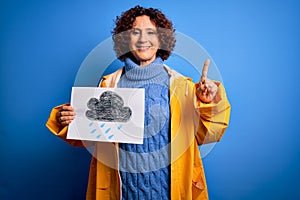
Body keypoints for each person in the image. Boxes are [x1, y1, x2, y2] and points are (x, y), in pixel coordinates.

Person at [46, 5, 231, 200]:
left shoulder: (183, 87)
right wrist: (67, 119)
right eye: (135, 32)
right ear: (126, 39)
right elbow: (88, 136)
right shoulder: (109, 86)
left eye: (151, 32)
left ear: (161, 39)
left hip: (170, 192)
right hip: (121, 192)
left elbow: (209, 133)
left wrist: (208, 102)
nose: (143, 39)